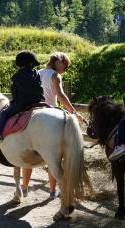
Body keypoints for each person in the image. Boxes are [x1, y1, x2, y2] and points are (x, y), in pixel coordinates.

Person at [21, 52, 83, 199]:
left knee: (29, 152)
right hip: (50, 113)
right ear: (59, 62)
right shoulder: (55, 76)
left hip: (33, 113)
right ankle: (52, 191)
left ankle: (24, 186)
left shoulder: (37, 72)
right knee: (54, 157)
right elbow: (60, 96)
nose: (65, 69)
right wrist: (74, 112)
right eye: (65, 66)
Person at [0, 50, 45, 146]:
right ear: (32, 63)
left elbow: (15, 93)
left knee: (4, 113)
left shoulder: (16, 76)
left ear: (20, 63)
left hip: (23, 104)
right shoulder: (37, 73)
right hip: (39, 101)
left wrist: (12, 103)